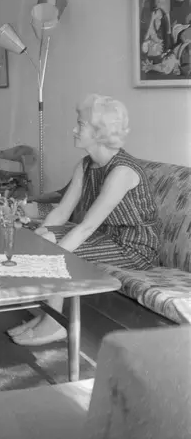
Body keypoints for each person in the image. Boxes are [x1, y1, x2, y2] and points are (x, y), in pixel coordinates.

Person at [9, 94, 160, 346]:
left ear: (99, 131)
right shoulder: (86, 165)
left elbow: (87, 226)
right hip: (105, 236)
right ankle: (46, 316)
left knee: (53, 250)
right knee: (44, 238)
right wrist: (39, 239)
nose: (74, 129)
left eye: (80, 124)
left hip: (133, 247)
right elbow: (61, 212)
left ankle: (54, 325)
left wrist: (52, 255)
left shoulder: (122, 171)